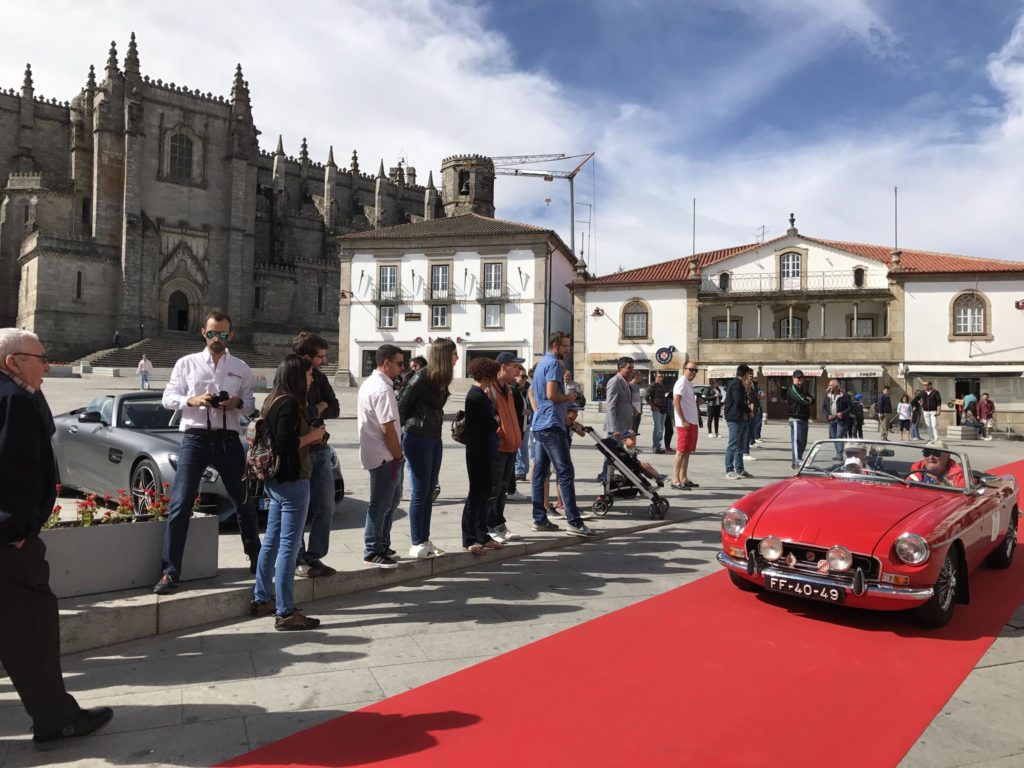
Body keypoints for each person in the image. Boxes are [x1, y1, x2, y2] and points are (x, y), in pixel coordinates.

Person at [0, 328, 114, 748]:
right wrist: (15, 532)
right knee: (31, 631)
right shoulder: (15, 400)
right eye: (40, 357)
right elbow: (14, 472)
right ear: (13, 361)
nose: (47, 365)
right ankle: (55, 719)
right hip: (8, 547)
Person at [155, 311, 259, 594]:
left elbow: (250, 403)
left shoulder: (240, 367)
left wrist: (237, 401)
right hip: (195, 438)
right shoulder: (186, 364)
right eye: (213, 334)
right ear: (204, 332)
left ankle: (256, 558)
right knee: (181, 502)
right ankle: (170, 571)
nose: (217, 339)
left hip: (228, 439)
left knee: (244, 501)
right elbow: (167, 398)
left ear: (231, 336)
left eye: (223, 335)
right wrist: (193, 399)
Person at [250, 355, 326, 630]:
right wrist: (313, 437)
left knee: (272, 540)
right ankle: (285, 611)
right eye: (308, 374)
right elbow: (285, 444)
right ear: (296, 375)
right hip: (293, 480)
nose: (311, 378)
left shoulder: (272, 399)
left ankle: (262, 598)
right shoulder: (290, 404)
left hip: (275, 480)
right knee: (289, 546)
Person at [531, 331, 598, 537]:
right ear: (554, 345)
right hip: (552, 425)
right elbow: (552, 394)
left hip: (541, 423)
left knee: (540, 473)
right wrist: (569, 397)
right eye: (565, 346)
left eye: (568, 346)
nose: (568, 350)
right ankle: (574, 522)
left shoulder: (541, 363)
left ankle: (540, 519)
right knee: (565, 472)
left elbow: (534, 393)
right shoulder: (553, 365)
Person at [397, 338, 454, 559]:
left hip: (433, 435)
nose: (456, 358)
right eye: (453, 354)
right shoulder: (422, 376)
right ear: (444, 355)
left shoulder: (439, 378)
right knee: (420, 491)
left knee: (429, 490)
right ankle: (416, 541)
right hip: (417, 435)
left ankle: (424, 538)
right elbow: (402, 404)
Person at [291, 332, 340, 579]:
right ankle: (297, 558)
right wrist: (317, 409)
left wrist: (319, 408)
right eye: (320, 356)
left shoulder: (319, 377)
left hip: (320, 450)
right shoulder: (289, 376)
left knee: (326, 506)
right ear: (306, 356)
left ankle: (314, 556)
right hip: (299, 452)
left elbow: (335, 407)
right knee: (298, 508)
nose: (323, 361)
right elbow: (294, 412)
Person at [358, 344, 405, 568]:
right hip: (385, 456)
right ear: (386, 363)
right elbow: (387, 428)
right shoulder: (383, 389)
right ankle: (373, 548)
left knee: (390, 502)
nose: (402, 368)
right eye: (399, 363)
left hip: (379, 454)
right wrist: (398, 456)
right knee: (381, 504)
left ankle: (382, 544)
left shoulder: (371, 383)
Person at [463, 357, 502, 554]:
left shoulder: (481, 395)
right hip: (478, 451)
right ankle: (470, 538)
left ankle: (482, 535)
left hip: (485, 449)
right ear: (487, 375)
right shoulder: (475, 396)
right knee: (477, 495)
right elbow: (493, 423)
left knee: (484, 493)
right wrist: (495, 415)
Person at [485, 352, 525, 544]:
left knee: (502, 488)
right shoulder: (490, 389)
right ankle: (488, 526)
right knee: (493, 488)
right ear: (503, 366)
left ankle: (499, 524)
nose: (518, 370)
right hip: (498, 446)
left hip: (511, 445)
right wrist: (501, 433)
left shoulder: (508, 389)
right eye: (515, 366)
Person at [599, 356, 636, 482]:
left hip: (624, 425)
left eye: (633, 368)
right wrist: (615, 428)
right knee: (612, 454)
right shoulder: (615, 381)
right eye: (629, 368)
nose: (632, 371)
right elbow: (611, 406)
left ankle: (609, 477)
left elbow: (623, 402)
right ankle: (605, 477)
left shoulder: (625, 382)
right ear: (621, 368)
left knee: (617, 454)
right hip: (617, 427)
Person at [671, 360, 700, 490]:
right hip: (685, 423)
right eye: (690, 369)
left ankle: (683, 478)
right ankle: (675, 480)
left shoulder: (688, 383)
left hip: (691, 422)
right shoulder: (681, 382)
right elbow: (676, 401)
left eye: (695, 370)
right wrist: (682, 420)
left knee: (687, 451)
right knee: (681, 451)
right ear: (684, 369)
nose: (693, 372)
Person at [724, 364, 754, 479]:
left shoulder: (739, 384)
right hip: (735, 418)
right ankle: (729, 470)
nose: (749, 377)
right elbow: (739, 402)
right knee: (732, 445)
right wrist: (749, 410)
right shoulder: (736, 384)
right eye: (749, 374)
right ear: (745, 374)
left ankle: (740, 469)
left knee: (740, 446)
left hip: (741, 418)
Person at [785, 369, 814, 469]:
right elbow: (803, 400)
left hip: (804, 418)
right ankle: (796, 461)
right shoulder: (792, 388)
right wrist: (807, 399)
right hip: (796, 418)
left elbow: (812, 399)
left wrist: (808, 399)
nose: (800, 379)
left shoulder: (803, 389)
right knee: (797, 441)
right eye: (798, 378)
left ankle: (799, 459)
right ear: (793, 378)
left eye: (801, 377)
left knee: (803, 441)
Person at [822, 378, 852, 460]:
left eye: (831, 385)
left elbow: (850, 408)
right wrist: (827, 415)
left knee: (839, 436)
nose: (829, 387)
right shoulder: (827, 396)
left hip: (841, 420)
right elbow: (824, 407)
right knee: (834, 437)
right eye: (829, 385)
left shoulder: (844, 396)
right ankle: (838, 453)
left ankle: (839, 454)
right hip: (831, 420)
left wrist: (842, 413)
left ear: (836, 386)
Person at [513, 368, 532, 481]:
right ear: (516, 376)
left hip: (525, 422)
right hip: (516, 422)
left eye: (525, 377)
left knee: (522, 447)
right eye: (522, 376)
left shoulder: (528, 388)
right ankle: (519, 470)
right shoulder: (512, 388)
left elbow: (533, 404)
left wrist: (529, 410)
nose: (524, 379)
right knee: (518, 447)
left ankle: (521, 471)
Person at [645, 372, 669, 453]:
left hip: (664, 410)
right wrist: (653, 406)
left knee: (661, 429)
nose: (661, 378)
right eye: (659, 377)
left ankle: (658, 446)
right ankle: (655, 447)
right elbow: (646, 397)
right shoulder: (652, 385)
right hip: (656, 410)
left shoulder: (662, 386)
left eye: (662, 377)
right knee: (657, 428)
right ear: (655, 377)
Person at [630, 369, 643, 435]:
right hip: (632, 412)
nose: (641, 377)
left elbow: (637, 399)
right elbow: (629, 400)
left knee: (635, 430)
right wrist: (633, 410)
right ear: (636, 376)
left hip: (638, 412)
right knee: (631, 429)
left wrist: (640, 409)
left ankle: (633, 444)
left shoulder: (637, 386)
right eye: (640, 375)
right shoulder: (630, 385)